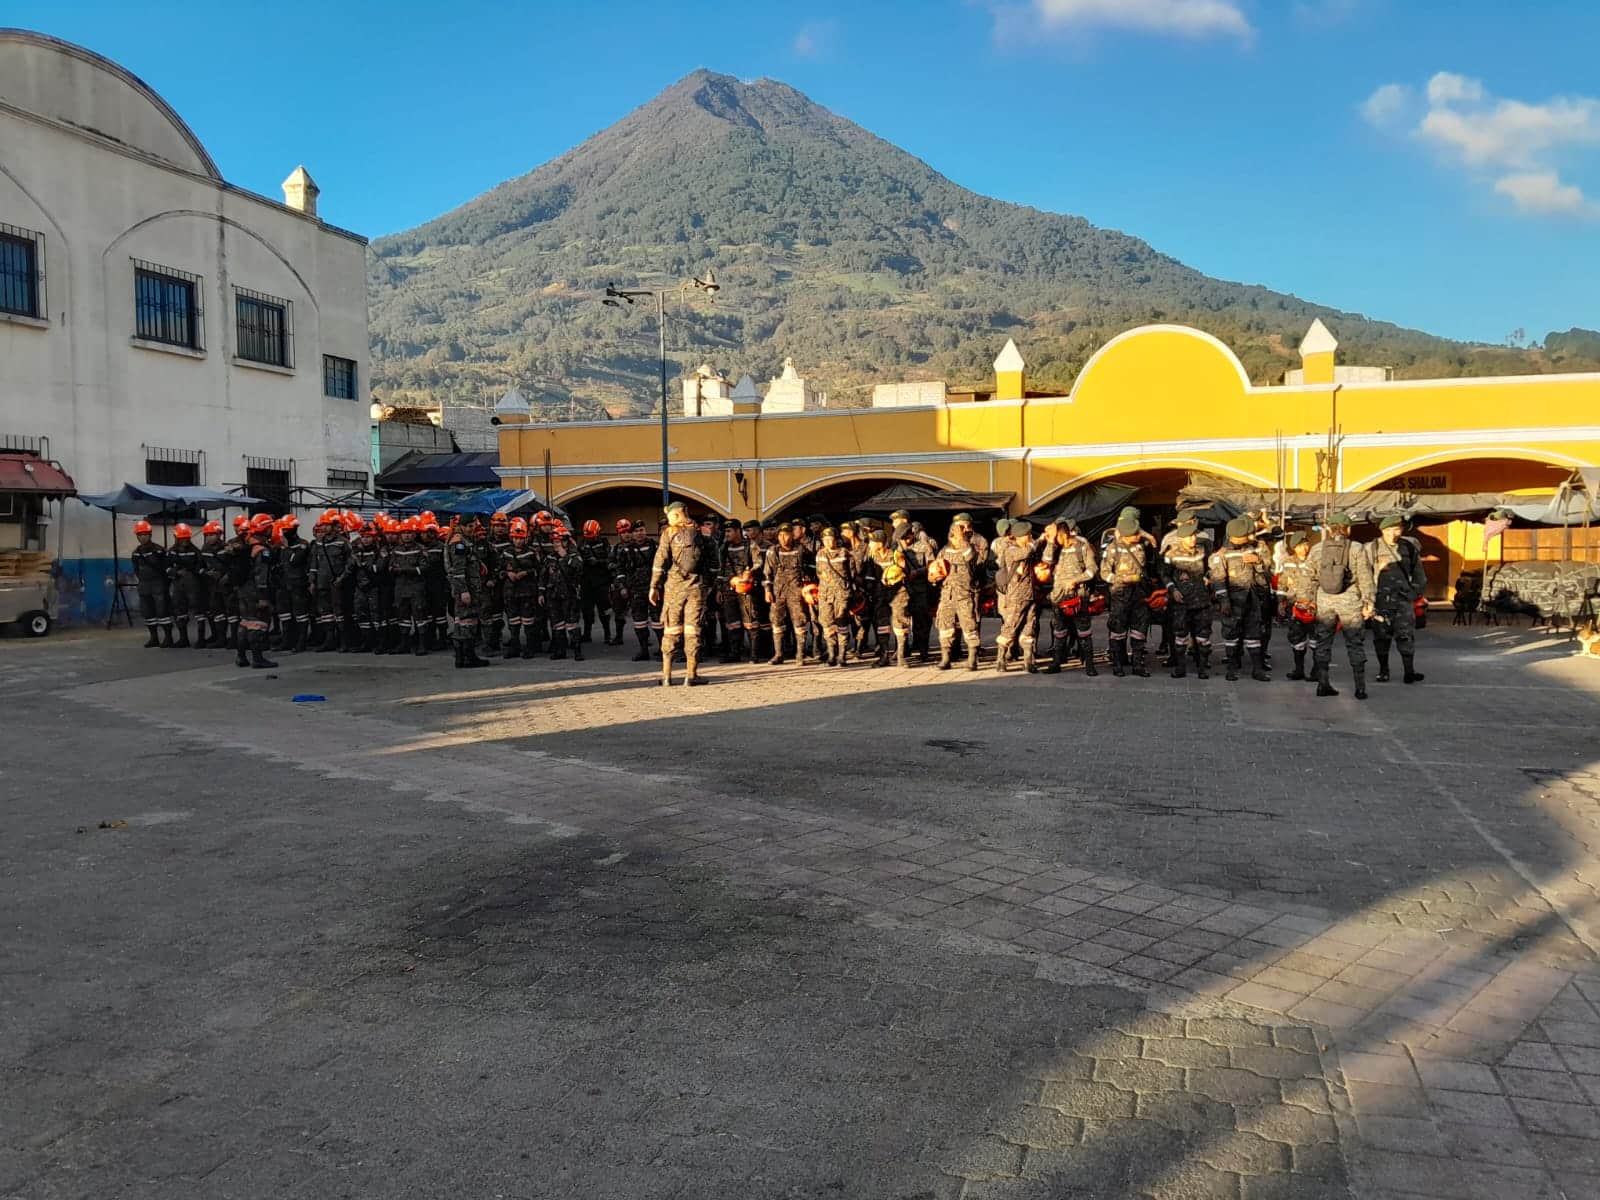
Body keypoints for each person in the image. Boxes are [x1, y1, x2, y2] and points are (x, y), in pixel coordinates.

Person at [1306, 512, 1375, 699]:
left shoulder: (1317, 549)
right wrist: (1369, 602)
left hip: (1324, 600)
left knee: (1322, 643)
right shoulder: (1357, 548)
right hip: (1350, 600)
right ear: (1348, 529)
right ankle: (1360, 688)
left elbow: (1309, 577)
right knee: (1355, 643)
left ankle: (1322, 683)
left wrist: (1309, 600)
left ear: (1329, 528)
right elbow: (1365, 577)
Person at [650, 501, 707, 686]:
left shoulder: (669, 533)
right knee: (693, 630)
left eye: (669, 516)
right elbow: (714, 562)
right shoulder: (702, 533)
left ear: (675, 515)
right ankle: (691, 675)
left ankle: (666, 676)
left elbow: (660, 560)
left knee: (671, 630)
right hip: (696, 587)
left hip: (674, 588)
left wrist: (654, 586)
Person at [1209, 516, 1272, 683]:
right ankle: (1231, 668)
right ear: (1233, 537)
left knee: (1254, 634)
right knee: (1231, 634)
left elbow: (1266, 573)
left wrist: (1257, 561)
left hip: (1253, 599)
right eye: (1244, 536)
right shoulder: (1220, 555)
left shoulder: (1253, 549)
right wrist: (1224, 602)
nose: (1248, 538)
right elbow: (1218, 580)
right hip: (1233, 601)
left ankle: (1257, 669)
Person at [1369, 515, 1428, 684]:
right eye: (1389, 530)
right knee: (1381, 637)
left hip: (1403, 601)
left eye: (1397, 529)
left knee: (1406, 635)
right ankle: (1383, 671)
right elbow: (1363, 574)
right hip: (1380, 601)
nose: (1393, 533)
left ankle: (1409, 671)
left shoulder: (1408, 547)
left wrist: (1414, 594)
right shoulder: (1371, 548)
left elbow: (1420, 575)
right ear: (1382, 530)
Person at [1100, 514, 1156, 677]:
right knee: (1118, 631)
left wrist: (1145, 534)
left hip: (1140, 595)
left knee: (1139, 630)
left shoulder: (1142, 545)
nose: (1138, 536)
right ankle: (1118, 664)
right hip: (1120, 596)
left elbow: (1152, 552)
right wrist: (1120, 579)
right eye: (1135, 533)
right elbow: (1104, 573)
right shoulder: (1112, 549)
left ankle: (1138, 664)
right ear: (1125, 534)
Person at [1042, 519, 1098, 676]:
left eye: (1055, 536)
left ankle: (1089, 664)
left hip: (1078, 597)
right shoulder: (1055, 547)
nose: (1053, 540)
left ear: (1063, 534)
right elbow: (1046, 561)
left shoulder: (1081, 545)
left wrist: (1076, 580)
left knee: (1084, 632)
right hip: (1058, 597)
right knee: (1059, 631)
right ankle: (1057, 662)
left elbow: (1092, 569)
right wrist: (1051, 542)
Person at [1163, 519, 1213, 678]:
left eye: (1194, 536)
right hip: (1181, 603)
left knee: (1202, 637)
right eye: (1189, 536)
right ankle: (1180, 668)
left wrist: (1208, 577)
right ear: (1182, 537)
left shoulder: (1203, 550)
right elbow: (1164, 574)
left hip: (1201, 601)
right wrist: (1172, 589)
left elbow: (1213, 567)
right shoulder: (1171, 554)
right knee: (1181, 636)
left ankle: (1202, 668)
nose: (1193, 539)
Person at [933, 519, 983, 671]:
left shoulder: (970, 548)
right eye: (956, 531)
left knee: (969, 626)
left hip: (964, 594)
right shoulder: (944, 551)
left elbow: (969, 556)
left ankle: (972, 659)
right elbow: (936, 567)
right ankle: (945, 658)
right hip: (947, 594)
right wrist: (934, 576)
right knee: (944, 626)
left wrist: (962, 539)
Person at [994, 519, 1040, 672]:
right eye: (1028, 535)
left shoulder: (1029, 549)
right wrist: (1039, 540)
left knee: (1029, 628)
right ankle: (1001, 660)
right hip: (1016, 596)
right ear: (1019, 536)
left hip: (1031, 595)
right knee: (1010, 627)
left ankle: (1028, 661)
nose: (1031, 537)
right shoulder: (1011, 550)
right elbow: (1026, 552)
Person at [763, 522, 811, 665]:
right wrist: (767, 590)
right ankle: (778, 654)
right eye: (781, 535)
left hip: (796, 592)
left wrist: (808, 589)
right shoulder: (773, 551)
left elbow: (809, 571)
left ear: (792, 535)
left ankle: (800, 654)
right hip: (778, 592)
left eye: (787, 534)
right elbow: (767, 573)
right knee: (776, 621)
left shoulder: (801, 550)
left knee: (799, 622)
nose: (784, 538)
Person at [445, 523, 491, 669]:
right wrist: (464, 590)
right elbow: (458, 569)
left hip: (466, 588)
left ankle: (461, 657)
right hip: (466, 589)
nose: (471, 529)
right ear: (461, 526)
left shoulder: (464, 541)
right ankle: (468, 657)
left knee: (461, 622)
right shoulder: (459, 543)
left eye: (473, 526)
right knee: (467, 622)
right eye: (468, 526)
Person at [236, 514, 278, 669]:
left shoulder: (246, 547)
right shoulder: (262, 551)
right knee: (258, 624)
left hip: (243, 590)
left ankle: (241, 657)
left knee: (245, 622)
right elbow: (262, 576)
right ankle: (257, 658)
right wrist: (263, 597)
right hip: (255, 591)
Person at [1276, 532, 1317, 682]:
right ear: (1294, 547)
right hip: (1294, 607)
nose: (1304, 549)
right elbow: (1282, 583)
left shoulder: (1315, 561)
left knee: (1315, 640)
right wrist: (1281, 601)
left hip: (1313, 606)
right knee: (1297, 639)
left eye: (1306, 545)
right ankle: (1298, 669)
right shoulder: (1287, 562)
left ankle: (1316, 670)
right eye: (1300, 546)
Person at [813, 525, 856, 668]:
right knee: (827, 623)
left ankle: (842, 656)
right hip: (825, 594)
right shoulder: (820, 554)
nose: (828, 542)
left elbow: (852, 573)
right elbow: (818, 572)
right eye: (825, 539)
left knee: (842, 623)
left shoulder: (844, 553)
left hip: (841, 594)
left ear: (836, 539)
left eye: (831, 539)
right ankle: (831, 654)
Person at [309, 511, 351, 653]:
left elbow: (350, 563)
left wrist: (342, 578)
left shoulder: (342, 542)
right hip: (322, 582)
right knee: (325, 613)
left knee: (339, 612)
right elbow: (314, 564)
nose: (325, 528)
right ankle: (329, 640)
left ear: (334, 526)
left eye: (328, 525)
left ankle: (344, 641)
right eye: (324, 525)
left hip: (337, 583)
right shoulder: (318, 543)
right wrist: (312, 582)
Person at [718, 520, 760, 663]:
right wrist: (719, 589)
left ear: (737, 531)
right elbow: (721, 569)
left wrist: (750, 573)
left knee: (750, 620)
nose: (727, 534)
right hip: (728, 589)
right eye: (725, 531)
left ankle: (754, 654)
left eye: (729, 531)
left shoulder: (750, 545)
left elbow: (758, 563)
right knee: (732, 622)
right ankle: (735, 652)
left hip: (745, 588)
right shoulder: (724, 547)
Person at [541, 524, 585, 660]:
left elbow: (579, 568)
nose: (556, 545)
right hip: (553, 595)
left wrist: (565, 556)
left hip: (569, 595)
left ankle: (577, 651)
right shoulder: (550, 557)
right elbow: (543, 576)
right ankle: (560, 650)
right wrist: (541, 593)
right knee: (557, 624)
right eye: (554, 542)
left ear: (565, 542)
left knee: (572, 623)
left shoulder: (574, 555)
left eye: (558, 542)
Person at [500, 517, 540, 660]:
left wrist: (526, 573)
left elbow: (538, 570)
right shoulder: (506, 552)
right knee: (513, 621)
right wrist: (507, 573)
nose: (518, 541)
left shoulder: (531, 552)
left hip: (527, 591)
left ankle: (530, 648)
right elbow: (499, 570)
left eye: (521, 538)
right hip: (510, 591)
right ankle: (515, 647)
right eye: (516, 538)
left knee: (528, 620)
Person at [274, 515, 313, 654]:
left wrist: (285, 547)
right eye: (282, 529)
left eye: (286, 529)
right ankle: (287, 640)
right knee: (284, 614)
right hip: (283, 584)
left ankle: (301, 641)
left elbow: (294, 560)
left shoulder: (302, 544)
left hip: (297, 584)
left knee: (300, 613)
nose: (283, 532)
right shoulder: (280, 545)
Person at [130, 520, 172, 647]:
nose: (142, 537)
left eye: (145, 534)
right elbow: (136, 569)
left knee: (162, 610)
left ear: (150, 534)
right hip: (144, 584)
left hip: (158, 583)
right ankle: (154, 637)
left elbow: (166, 566)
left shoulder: (159, 550)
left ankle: (168, 637)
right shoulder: (136, 553)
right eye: (140, 534)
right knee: (147, 611)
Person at [166, 523, 206, 648]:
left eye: (186, 538)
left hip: (193, 584)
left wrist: (193, 571)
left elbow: (201, 567)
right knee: (179, 610)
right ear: (176, 538)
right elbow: (166, 567)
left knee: (198, 609)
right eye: (181, 538)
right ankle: (183, 639)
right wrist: (175, 572)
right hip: (178, 584)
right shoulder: (171, 552)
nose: (184, 541)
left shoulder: (195, 552)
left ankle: (201, 639)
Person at [578, 519, 616, 645]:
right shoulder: (582, 544)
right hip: (586, 582)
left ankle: (607, 634)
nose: (590, 539)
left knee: (604, 610)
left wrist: (598, 562)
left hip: (601, 581)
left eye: (592, 536)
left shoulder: (604, 543)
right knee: (586, 610)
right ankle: (587, 634)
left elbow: (610, 559)